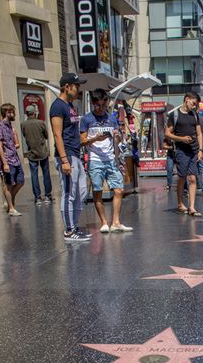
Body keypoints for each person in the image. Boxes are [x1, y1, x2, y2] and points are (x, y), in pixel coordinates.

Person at [80, 88, 133, 234]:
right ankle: (104, 222)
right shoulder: (86, 119)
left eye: (104, 105)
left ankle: (116, 221)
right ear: (93, 104)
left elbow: (118, 138)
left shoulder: (111, 118)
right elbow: (82, 141)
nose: (101, 109)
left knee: (119, 190)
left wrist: (117, 136)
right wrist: (95, 138)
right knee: (97, 192)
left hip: (111, 159)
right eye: (98, 106)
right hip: (95, 160)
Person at [49, 73, 91, 241]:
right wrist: (64, 160)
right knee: (69, 193)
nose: (79, 88)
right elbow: (57, 135)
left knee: (81, 192)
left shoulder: (70, 106)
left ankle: (74, 226)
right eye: (76, 85)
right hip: (66, 155)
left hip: (76, 154)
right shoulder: (58, 106)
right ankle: (69, 230)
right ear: (67, 87)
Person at [165, 92, 203, 217]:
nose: (194, 106)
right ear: (187, 99)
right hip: (181, 151)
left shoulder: (195, 115)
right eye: (193, 103)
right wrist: (181, 139)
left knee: (193, 178)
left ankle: (192, 206)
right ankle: (180, 203)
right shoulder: (174, 115)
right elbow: (167, 134)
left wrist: (201, 149)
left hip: (193, 150)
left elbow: (199, 134)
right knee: (182, 178)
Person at [0, 103, 24, 216]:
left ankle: (10, 200)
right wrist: (5, 163)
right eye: (12, 111)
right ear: (7, 113)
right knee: (8, 184)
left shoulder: (10, 126)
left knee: (20, 181)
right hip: (7, 159)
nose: (14, 114)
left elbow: (15, 144)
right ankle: (11, 208)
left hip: (15, 158)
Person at [21, 105, 52, 205]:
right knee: (46, 174)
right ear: (34, 113)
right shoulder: (41, 122)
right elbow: (46, 136)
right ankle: (48, 195)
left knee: (34, 175)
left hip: (32, 153)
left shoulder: (23, 124)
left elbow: (25, 135)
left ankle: (37, 197)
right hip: (42, 151)